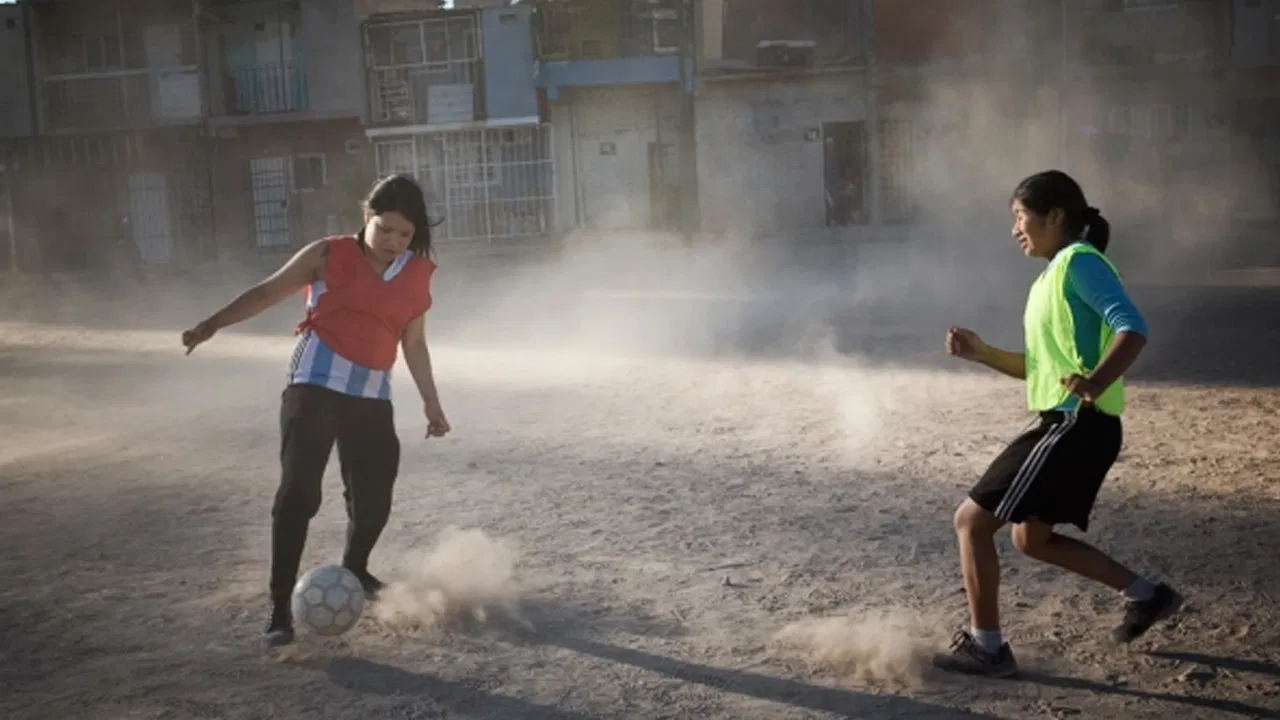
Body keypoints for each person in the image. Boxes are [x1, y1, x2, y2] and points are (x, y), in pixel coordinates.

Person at [181, 175, 451, 648]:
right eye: (385, 229)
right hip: (314, 385)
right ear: (367, 217)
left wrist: (431, 401)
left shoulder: (415, 274)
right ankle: (280, 606)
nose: (393, 241)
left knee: (374, 498)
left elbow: (413, 342)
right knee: (299, 493)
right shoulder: (328, 253)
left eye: (404, 234)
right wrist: (213, 323)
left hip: (371, 394)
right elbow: (268, 291)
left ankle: (355, 568)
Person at [934, 170, 1182, 677]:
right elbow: (1039, 367)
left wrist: (1094, 382)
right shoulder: (1050, 277)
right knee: (1031, 539)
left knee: (971, 522)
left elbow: (1132, 328)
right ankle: (1147, 595)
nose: (1014, 229)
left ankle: (987, 648)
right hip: (1077, 423)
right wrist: (983, 353)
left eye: (1020, 216)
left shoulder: (1079, 262)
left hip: (1074, 424)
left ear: (1054, 216)